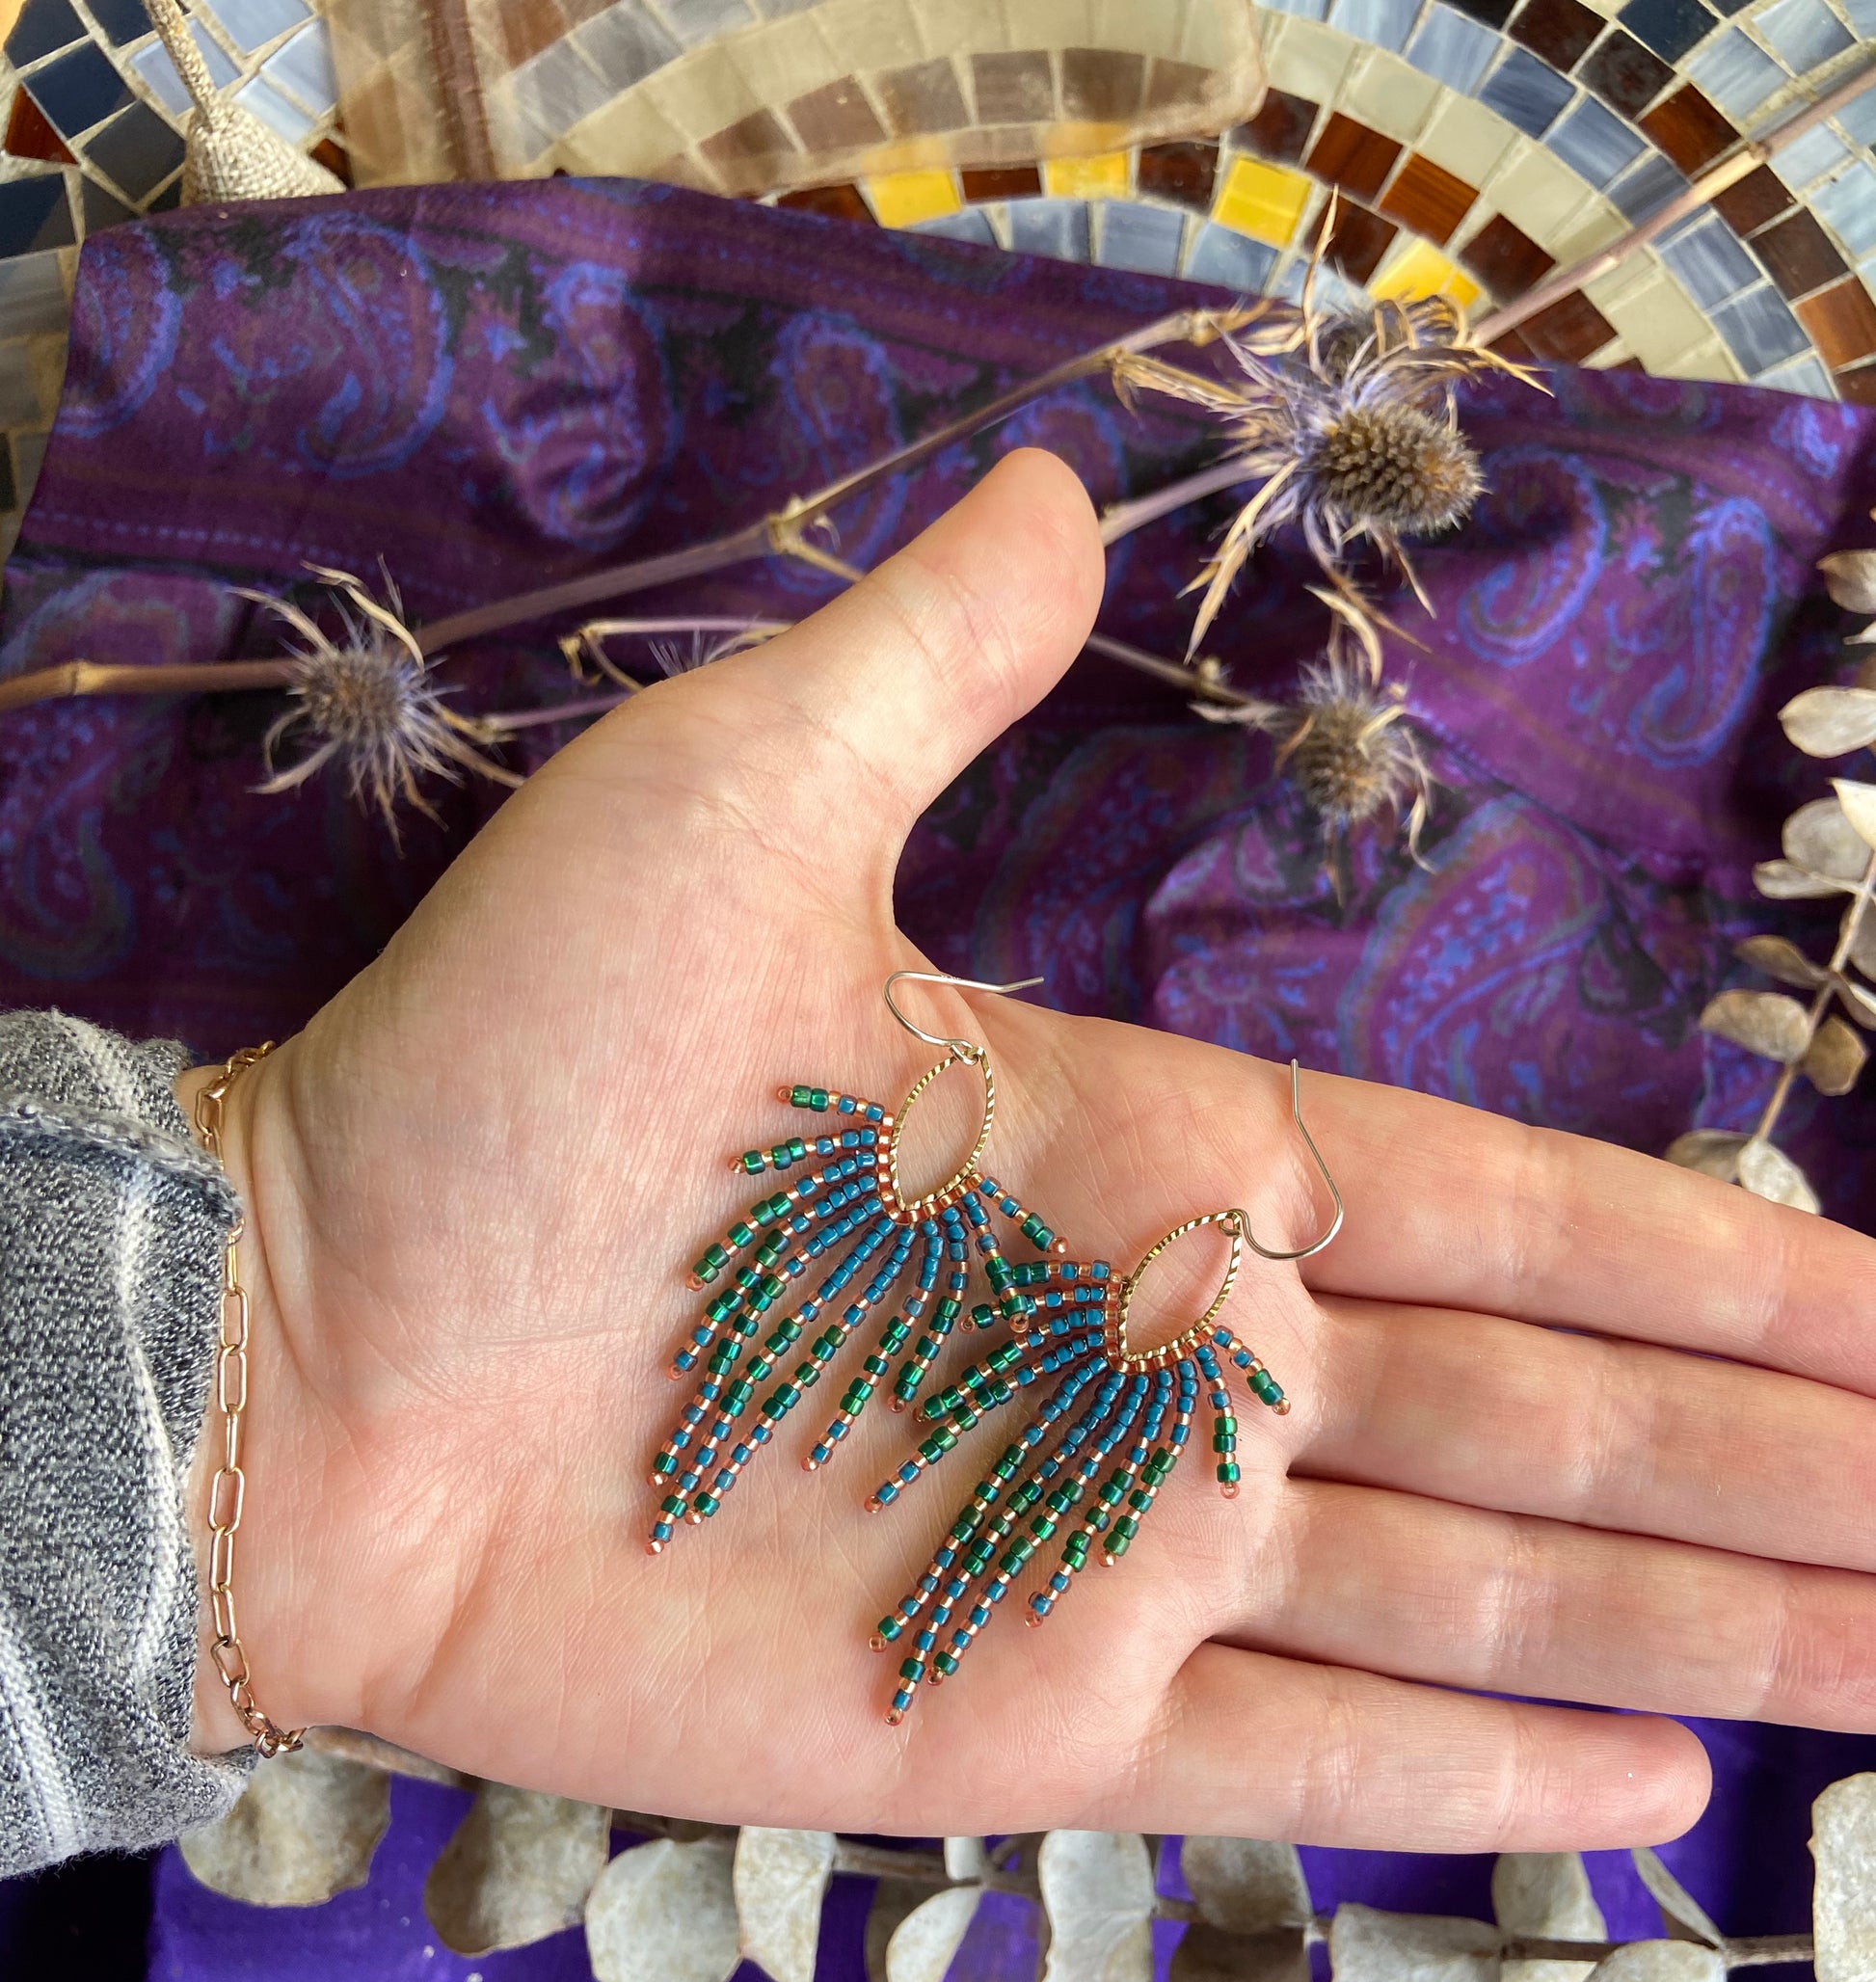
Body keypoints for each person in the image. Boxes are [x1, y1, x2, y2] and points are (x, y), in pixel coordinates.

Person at [6, 449, 1874, 1880]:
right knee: (816, 1399)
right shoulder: (921, 1243)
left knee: (889, 1440)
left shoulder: (1042, 1311)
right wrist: (280, 1346)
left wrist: (256, 1382)